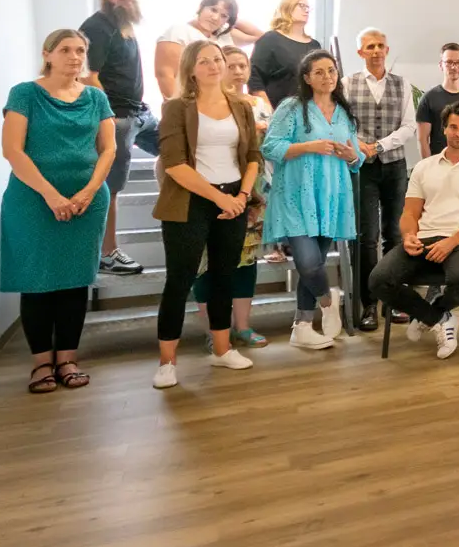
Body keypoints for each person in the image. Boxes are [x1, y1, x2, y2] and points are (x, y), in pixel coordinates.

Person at [0, 29, 117, 393]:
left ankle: (67, 358)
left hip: (87, 199)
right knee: (37, 280)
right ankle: (40, 364)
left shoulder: (96, 98)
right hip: (33, 199)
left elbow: (108, 149)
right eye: (65, 49)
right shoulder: (25, 94)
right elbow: (13, 151)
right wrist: (51, 195)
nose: (74, 56)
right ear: (47, 54)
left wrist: (88, 190)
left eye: (80, 50)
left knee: (73, 281)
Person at [150, 42, 262, 389]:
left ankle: (223, 349)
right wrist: (219, 199)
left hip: (234, 199)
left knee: (224, 277)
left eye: (218, 59)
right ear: (191, 68)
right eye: (205, 61)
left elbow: (253, 156)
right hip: (190, 201)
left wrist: (241, 196)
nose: (214, 65)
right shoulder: (176, 108)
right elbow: (174, 165)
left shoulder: (241, 106)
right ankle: (167, 362)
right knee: (180, 280)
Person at [369, 103, 459, 360]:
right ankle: (438, 318)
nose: (458, 133)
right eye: (453, 126)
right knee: (378, 280)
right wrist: (409, 236)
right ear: (444, 129)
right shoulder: (424, 167)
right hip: (424, 239)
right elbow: (409, 214)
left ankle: (434, 312)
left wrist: (451, 242)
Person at [262, 50, 365, 350]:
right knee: (308, 263)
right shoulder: (292, 107)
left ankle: (302, 326)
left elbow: (355, 158)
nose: (327, 76)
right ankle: (328, 299)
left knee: (316, 261)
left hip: (331, 193)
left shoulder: (344, 112)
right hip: (295, 193)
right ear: (306, 78)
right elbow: (271, 146)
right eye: (318, 72)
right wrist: (310, 146)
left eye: (331, 70)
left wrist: (352, 156)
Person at [189, 45, 270, 349]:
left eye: (242, 65)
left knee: (245, 261)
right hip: (206, 190)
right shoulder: (201, 104)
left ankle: (243, 326)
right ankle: (214, 330)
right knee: (206, 263)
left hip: (251, 194)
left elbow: (268, 148)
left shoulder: (261, 105)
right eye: (230, 65)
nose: (237, 71)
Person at [81, 0, 154, 275]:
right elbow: (89, 77)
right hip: (118, 117)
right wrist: (107, 117)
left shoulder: (124, 24)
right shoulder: (97, 27)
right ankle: (107, 252)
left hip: (140, 113)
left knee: (181, 149)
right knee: (111, 187)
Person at [345, 28, 417, 332]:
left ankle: (393, 299)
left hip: (394, 166)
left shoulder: (402, 84)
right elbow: (344, 123)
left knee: (395, 235)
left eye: (381, 46)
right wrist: (360, 144)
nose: (376, 50)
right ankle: (369, 304)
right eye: (370, 46)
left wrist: (378, 146)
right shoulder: (347, 83)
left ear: (387, 50)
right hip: (363, 168)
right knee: (366, 236)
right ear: (361, 52)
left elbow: (409, 126)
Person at [154, 0, 261, 100]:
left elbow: (259, 36)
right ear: (202, 7)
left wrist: (232, 17)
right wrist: (179, 108)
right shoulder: (179, 31)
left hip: (223, 103)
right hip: (191, 102)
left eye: (223, 16)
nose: (215, 17)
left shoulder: (224, 35)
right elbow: (165, 75)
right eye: (213, 10)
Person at [249, 0, 322, 107]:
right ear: (287, 7)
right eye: (301, 5)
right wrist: (266, 108)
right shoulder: (270, 39)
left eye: (308, 7)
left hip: (308, 111)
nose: (306, 10)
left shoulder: (315, 45)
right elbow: (254, 76)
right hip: (276, 109)